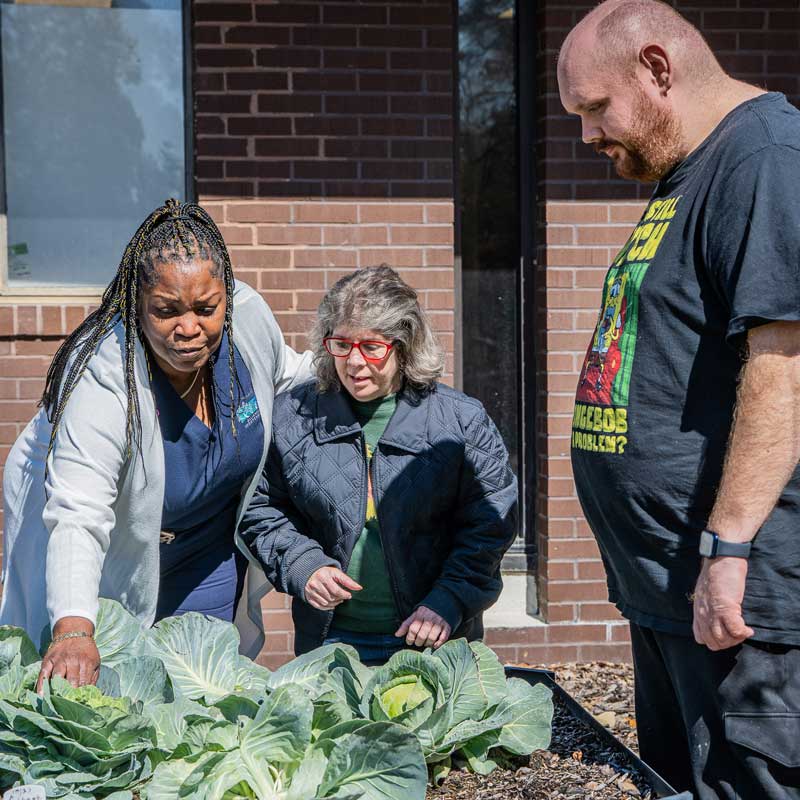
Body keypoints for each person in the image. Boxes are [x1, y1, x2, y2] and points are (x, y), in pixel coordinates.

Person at [558, 2, 800, 797]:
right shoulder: (687, 172)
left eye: (596, 107)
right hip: (672, 587)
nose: (587, 134)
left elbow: (785, 365)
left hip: (739, 599)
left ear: (657, 69)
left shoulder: (764, 158)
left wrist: (727, 551)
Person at [1, 199, 311, 689]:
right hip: (109, 542)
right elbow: (80, 511)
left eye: (206, 309)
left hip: (204, 542)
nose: (188, 328)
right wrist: (75, 630)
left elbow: (289, 374)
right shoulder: (105, 374)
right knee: (115, 683)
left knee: (204, 684)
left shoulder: (248, 319)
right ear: (137, 304)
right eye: (166, 311)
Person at [239, 265, 518, 663]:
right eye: (341, 344)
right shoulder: (293, 417)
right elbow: (258, 507)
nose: (354, 362)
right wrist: (302, 564)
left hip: (433, 639)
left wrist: (450, 600)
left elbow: (491, 525)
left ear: (404, 346)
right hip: (331, 639)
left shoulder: (461, 421)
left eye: (371, 347)